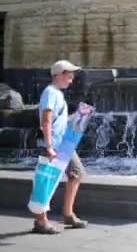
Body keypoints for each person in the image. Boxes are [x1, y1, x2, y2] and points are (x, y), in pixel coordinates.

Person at [32, 60, 88, 234]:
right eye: (69, 75)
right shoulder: (50, 93)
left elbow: (56, 119)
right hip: (53, 145)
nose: (71, 79)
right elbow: (46, 120)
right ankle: (41, 222)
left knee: (76, 172)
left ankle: (68, 214)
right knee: (45, 180)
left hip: (62, 143)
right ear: (59, 74)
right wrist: (49, 146)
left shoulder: (56, 93)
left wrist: (77, 118)